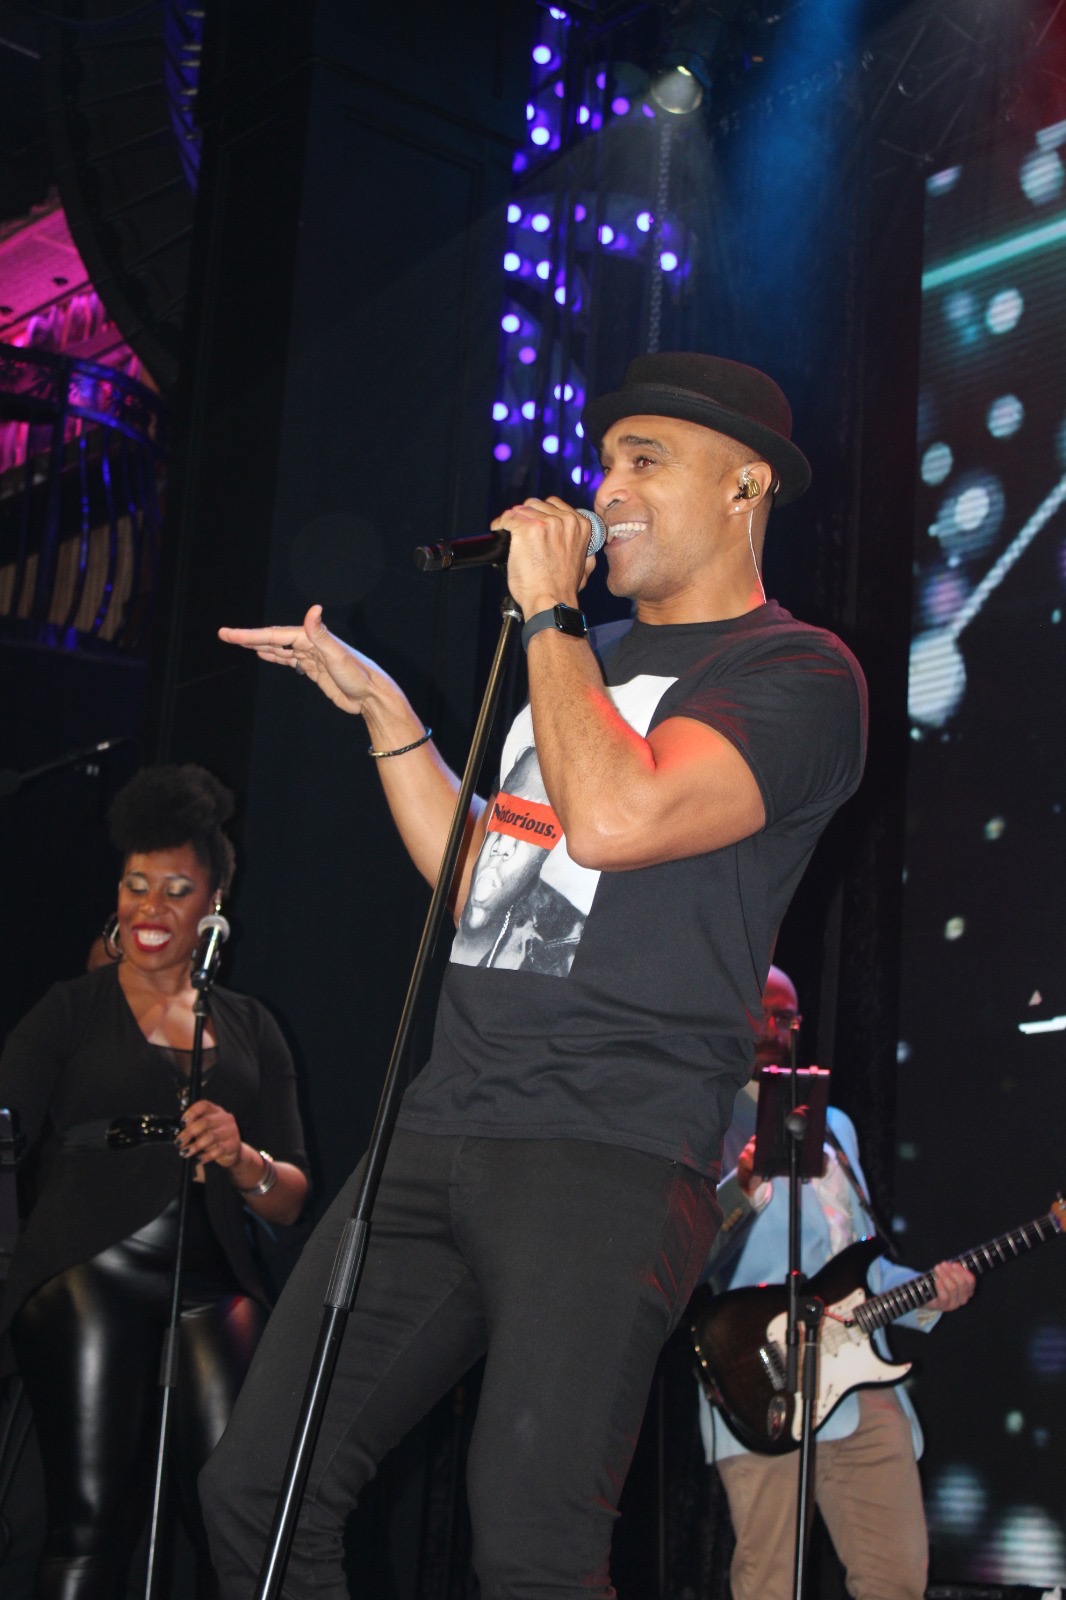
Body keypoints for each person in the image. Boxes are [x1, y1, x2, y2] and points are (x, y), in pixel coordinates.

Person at [205, 351, 868, 1599]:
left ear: (746, 487)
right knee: (259, 1490)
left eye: (643, 461)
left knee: (529, 1546)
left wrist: (550, 615)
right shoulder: (579, 661)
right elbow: (486, 890)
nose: (605, 488)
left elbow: (614, 817)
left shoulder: (795, 674)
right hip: (443, 1126)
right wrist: (388, 715)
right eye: (604, 459)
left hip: (606, 1147)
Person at [0, 764, 310, 1600]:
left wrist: (244, 1160)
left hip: (212, 1284)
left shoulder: (251, 1026)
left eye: (177, 890)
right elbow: (5, 1129)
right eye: (137, 886)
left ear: (214, 904)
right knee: (92, 1519)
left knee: (236, 1518)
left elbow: (291, 1196)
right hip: (86, 1268)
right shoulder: (73, 1007)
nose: (151, 908)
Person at [698, 965, 975, 1600]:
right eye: (763, 1012)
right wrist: (742, 1186)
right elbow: (685, 1261)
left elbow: (861, 1267)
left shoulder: (835, 1128)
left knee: (894, 1579)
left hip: (858, 1383)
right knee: (771, 1583)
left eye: (787, 1016)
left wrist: (930, 1293)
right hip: (760, 1383)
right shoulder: (703, 1122)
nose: (775, 1028)